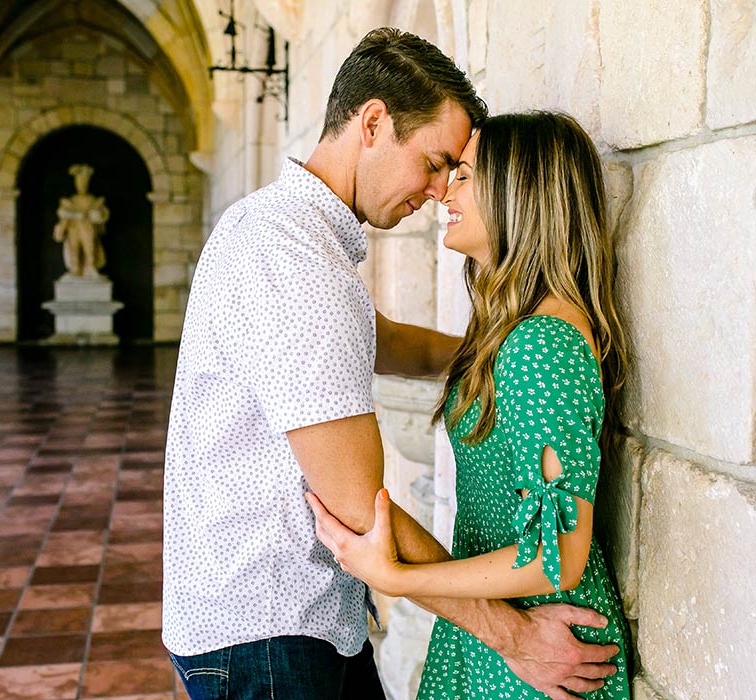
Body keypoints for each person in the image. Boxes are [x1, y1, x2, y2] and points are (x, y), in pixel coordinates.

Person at [163, 26, 619, 699]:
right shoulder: (295, 259)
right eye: (437, 162)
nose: (440, 190)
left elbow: (375, 338)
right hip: (271, 633)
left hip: (296, 626)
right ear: (373, 122)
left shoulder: (287, 236)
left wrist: (496, 355)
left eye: (460, 172)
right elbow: (355, 503)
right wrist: (514, 636)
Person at [307, 111, 632, 699]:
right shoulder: (518, 335)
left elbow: (559, 552)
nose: (444, 191)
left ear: (519, 194)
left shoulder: (544, 343)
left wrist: (398, 577)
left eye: (464, 174)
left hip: (541, 641)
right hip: (502, 629)